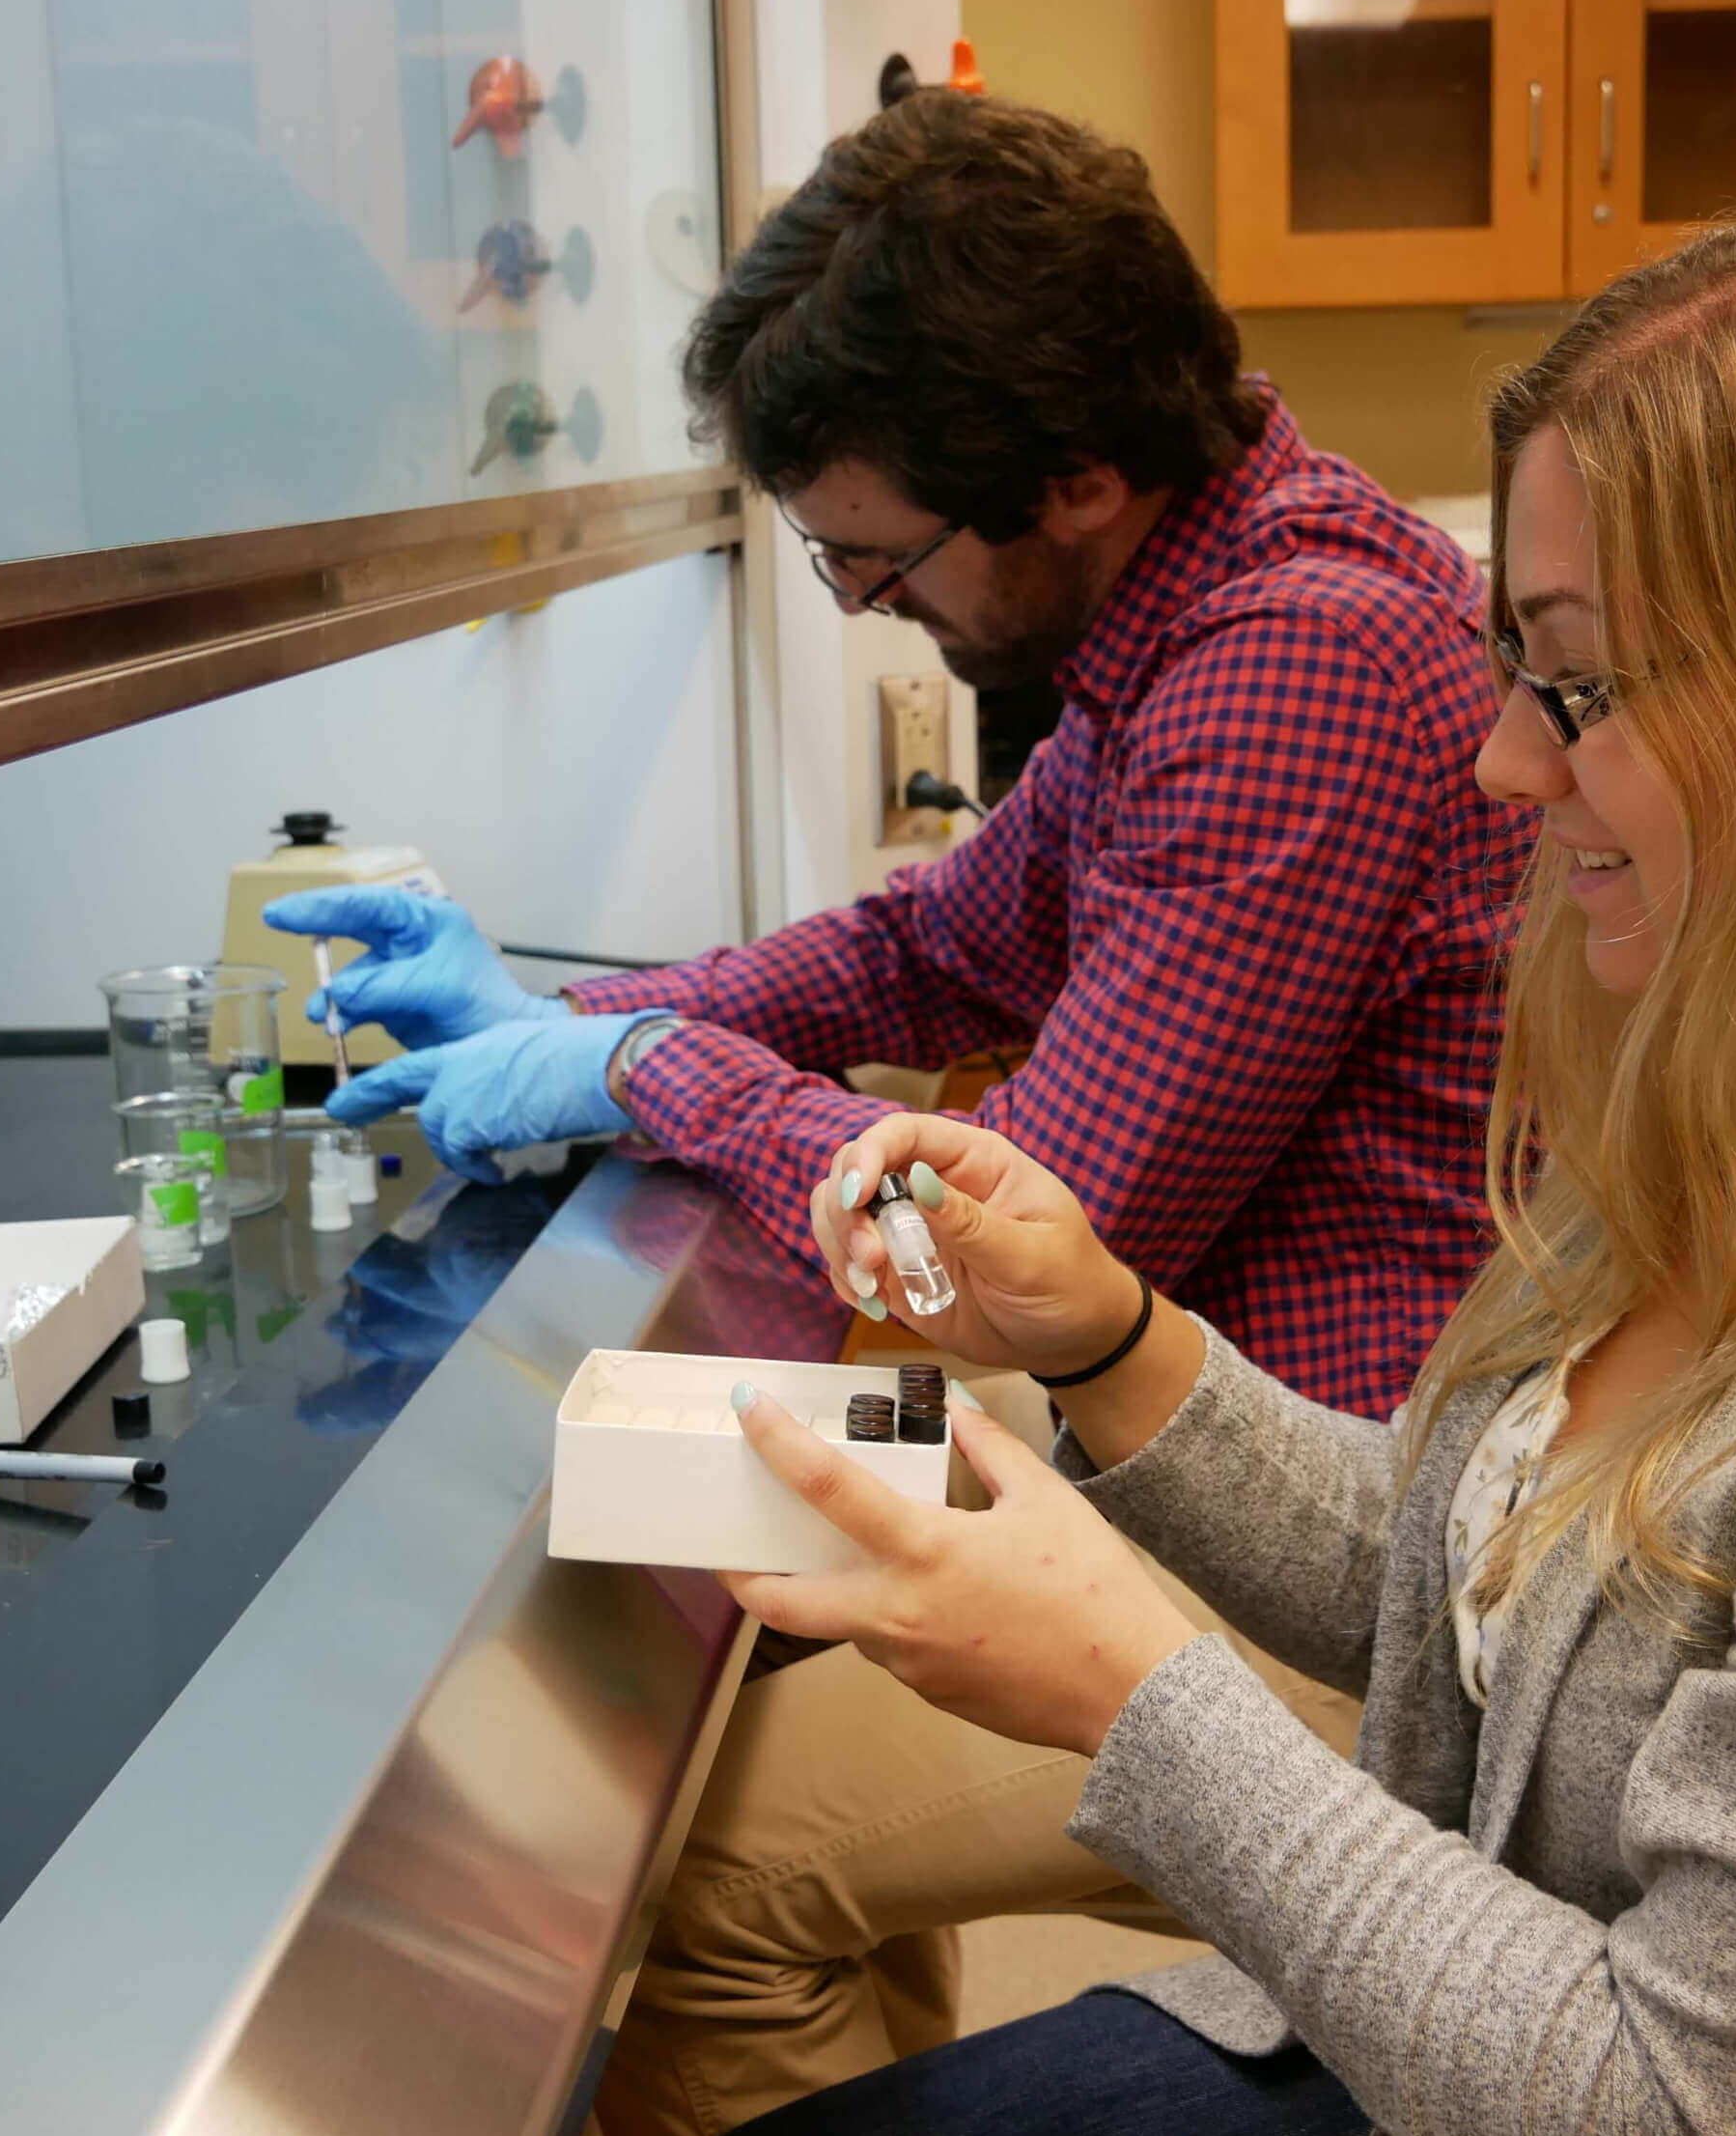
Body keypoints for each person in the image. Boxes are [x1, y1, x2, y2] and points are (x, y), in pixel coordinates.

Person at [614, 193, 1736, 2136]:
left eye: (1581, 686)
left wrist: (1130, 1688)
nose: (1504, 757)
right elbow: (1484, 1589)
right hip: (1478, 2085)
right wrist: (1113, 1345)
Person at [264, 91, 1522, 1423]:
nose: (865, 603)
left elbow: (1023, 1240)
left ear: (1080, 480)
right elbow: (931, 953)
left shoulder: (1299, 663)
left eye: (879, 555)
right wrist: (558, 1025)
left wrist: (641, 1065)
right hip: (1234, 1456)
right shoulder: (1183, 615)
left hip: (1357, 1512)